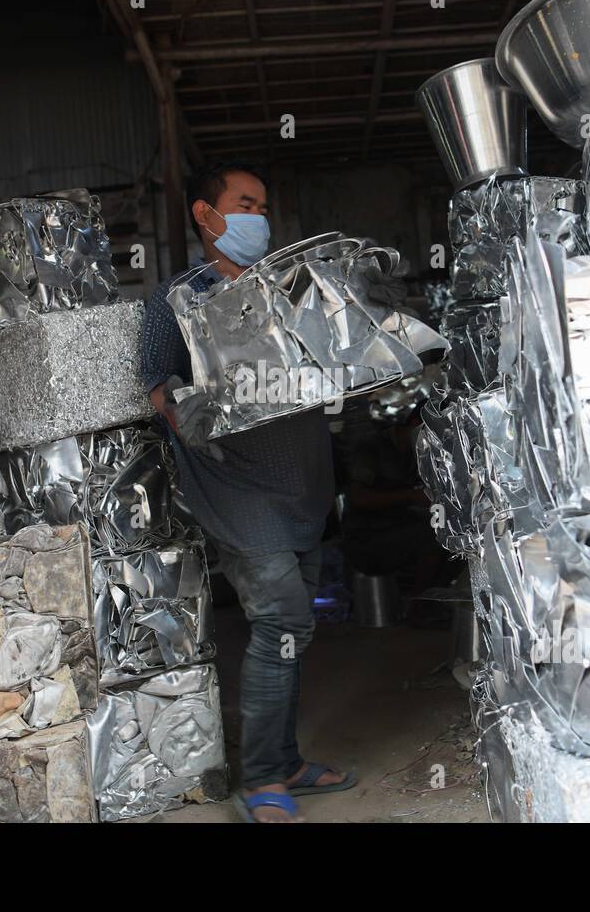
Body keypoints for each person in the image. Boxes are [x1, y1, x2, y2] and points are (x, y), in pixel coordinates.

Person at [139, 161, 353, 823]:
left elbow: (331, 361)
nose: (259, 216)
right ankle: (263, 776)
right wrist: (194, 415)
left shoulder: (288, 290)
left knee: (296, 628)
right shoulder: (179, 300)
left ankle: (284, 760)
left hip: (303, 489)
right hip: (237, 491)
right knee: (281, 620)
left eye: (263, 205)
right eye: (245, 203)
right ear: (207, 216)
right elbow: (156, 386)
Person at [341, 404, 454, 596]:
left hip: (399, 530)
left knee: (456, 536)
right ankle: (422, 606)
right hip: (366, 539)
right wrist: (411, 497)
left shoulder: (420, 452)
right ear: (416, 423)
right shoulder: (372, 448)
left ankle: (435, 599)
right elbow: (358, 498)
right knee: (434, 535)